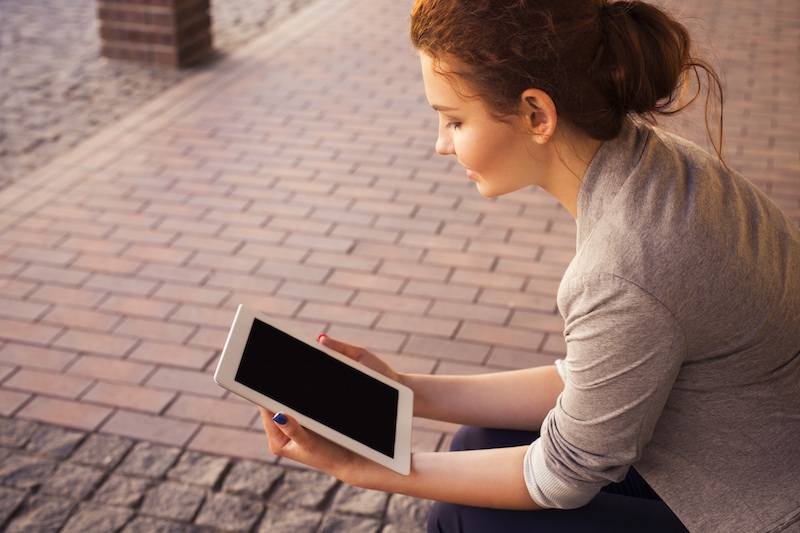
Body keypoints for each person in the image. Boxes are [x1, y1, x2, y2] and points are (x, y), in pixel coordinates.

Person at [259, 0, 800, 531]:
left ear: (536, 114)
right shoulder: (654, 165)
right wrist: (404, 391)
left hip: (756, 508)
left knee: (464, 517)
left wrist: (365, 468)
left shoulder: (623, 268)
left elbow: (564, 474)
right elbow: (597, 374)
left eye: (453, 121)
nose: (441, 145)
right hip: (729, 459)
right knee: (478, 439)